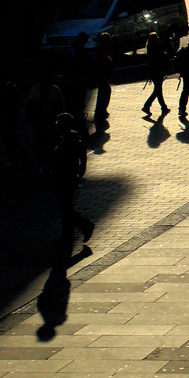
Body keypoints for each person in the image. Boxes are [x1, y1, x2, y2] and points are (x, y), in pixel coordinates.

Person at [52, 113, 94, 254]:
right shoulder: (67, 138)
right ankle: (67, 237)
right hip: (63, 177)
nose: (56, 124)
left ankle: (85, 226)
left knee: (65, 208)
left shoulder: (71, 139)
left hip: (66, 177)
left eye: (59, 122)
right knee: (64, 207)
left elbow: (76, 157)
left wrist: (79, 171)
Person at [25, 70, 66, 174]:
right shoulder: (52, 90)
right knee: (40, 145)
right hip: (40, 123)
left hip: (49, 122)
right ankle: (45, 164)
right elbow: (61, 108)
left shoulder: (49, 90)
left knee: (48, 145)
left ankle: (47, 165)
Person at [142, 32, 170, 116]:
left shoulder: (151, 49)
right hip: (158, 72)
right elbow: (161, 58)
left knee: (157, 90)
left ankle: (161, 107)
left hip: (155, 73)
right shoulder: (156, 49)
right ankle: (149, 106)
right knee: (158, 91)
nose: (158, 39)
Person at [93, 32, 113, 122]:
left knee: (103, 91)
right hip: (101, 73)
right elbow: (102, 61)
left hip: (101, 73)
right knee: (105, 91)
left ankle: (101, 109)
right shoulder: (102, 49)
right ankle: (101, 110)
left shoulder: (99, 48)